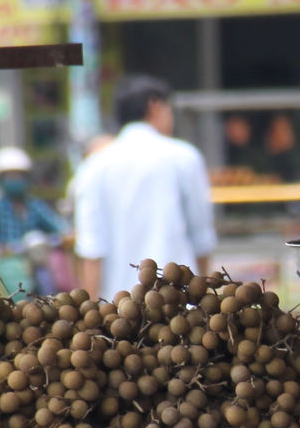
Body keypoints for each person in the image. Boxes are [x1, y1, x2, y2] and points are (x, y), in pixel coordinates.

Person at [72, 76, 216, 301]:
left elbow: (91, 249)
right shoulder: (184, 158)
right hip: (180, 309)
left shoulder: (95, 166)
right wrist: (204, 300)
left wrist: (90, 316)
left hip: (119, 312)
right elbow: (202, 239)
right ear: (155, 105)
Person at [0, 146, 68, 295]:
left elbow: (58, 227)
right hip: (4, 263)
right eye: (11, 176)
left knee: (49, 285)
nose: (16, 180)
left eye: (19, 176)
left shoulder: (34, 205)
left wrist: (59, 237)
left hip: (33, 260)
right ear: (0, 179)